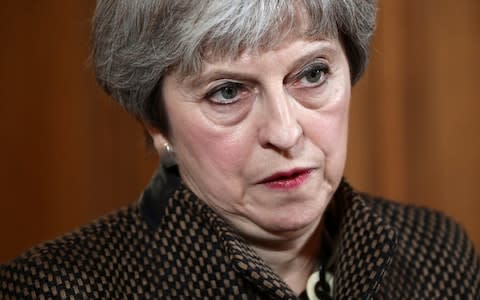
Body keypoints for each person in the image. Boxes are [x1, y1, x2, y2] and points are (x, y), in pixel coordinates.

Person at [1, 0, 479, 299]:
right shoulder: (51, 290)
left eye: (312, 74)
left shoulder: (438, 249)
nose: (286, 132)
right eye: (228, 91)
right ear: (156, 124)